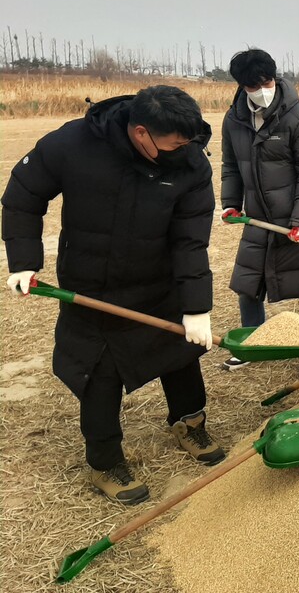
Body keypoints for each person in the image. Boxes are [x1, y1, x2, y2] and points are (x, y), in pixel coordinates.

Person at [1, 86, 223, 506]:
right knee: (99, 376)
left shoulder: (191, 162)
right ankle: (105, 463)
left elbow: (190, 241)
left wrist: (197, 307)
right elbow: (22, 195)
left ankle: (189, 423)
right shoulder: (71, 144)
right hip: (91, 286)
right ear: (141, 133)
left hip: (158, 283)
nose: (185, 150)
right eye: (175, 143)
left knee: (182, 355)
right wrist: (24, 262)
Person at [219, 48, 299, 375]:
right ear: (241, 85)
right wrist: (231, 203)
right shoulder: (234, 120)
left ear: (274, 78)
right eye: (252, 85)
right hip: (259, 218)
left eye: (266, 81)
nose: (261, 90)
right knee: (247, 285)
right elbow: (231, 165)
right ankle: (253, 344)